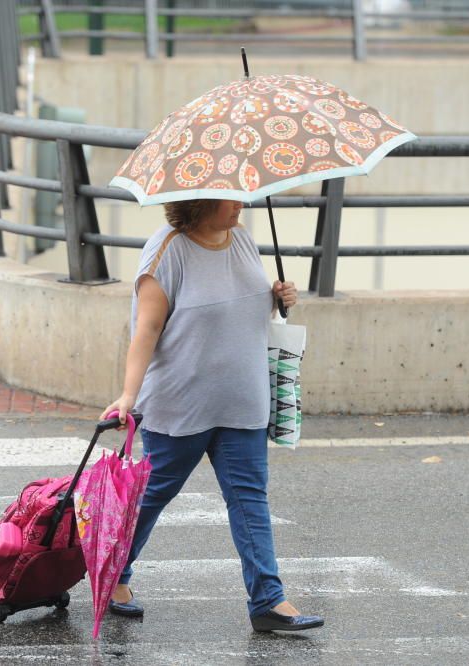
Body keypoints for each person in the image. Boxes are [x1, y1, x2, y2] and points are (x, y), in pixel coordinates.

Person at [103, 199, 324, 633]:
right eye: (229, 196)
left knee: (250, 499)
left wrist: (279, 298)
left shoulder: (242, 239)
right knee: (152, 497)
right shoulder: (167, 252)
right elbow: (145, 330)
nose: (240, 202)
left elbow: (244, 309)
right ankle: (114, 575)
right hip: (181, 403)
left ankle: (268, 600)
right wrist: (128, 394)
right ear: (200, 201)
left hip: (243, 400)